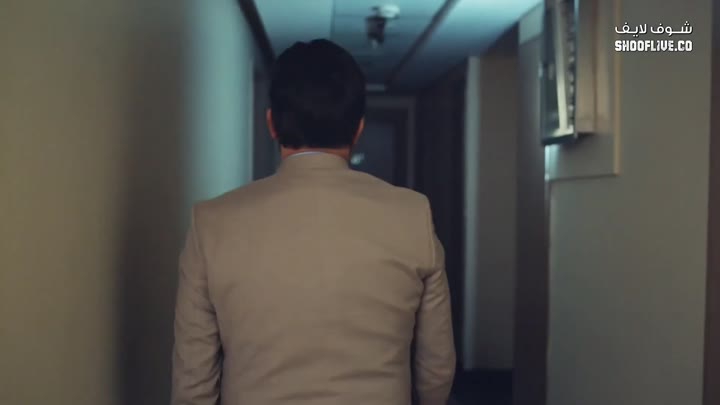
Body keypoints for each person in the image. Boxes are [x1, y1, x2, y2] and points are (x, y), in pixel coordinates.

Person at [171, 39, 455, 405]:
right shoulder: (412, 214)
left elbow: (193, 382)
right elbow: (436, 367)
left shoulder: (212, 222)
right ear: (358, 128)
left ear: (272, 124)